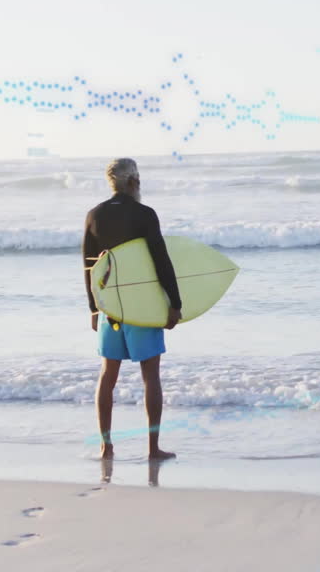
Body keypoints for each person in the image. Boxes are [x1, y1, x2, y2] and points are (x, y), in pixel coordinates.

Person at [82, 158, 182, 461]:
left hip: (109, 307)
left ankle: (106, 447)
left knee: (107, 375)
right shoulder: (144, 214)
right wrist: (175, 303)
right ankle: (153, 449)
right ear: (133, 181)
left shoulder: (94, 216)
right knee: (150, 374)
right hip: (141, 304)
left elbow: (89, 267)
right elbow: (161, 260)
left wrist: (93, 309)